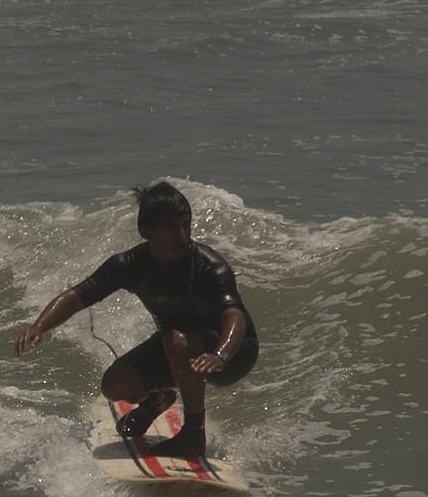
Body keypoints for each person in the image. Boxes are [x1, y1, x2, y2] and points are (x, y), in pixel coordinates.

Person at [14, 181, 259, 457]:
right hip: (179, 347)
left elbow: (234, 316)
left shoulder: (209, 266)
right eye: (170, 227)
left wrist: (221, 354)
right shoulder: (130, 264)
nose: (181, 234)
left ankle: (193, 435)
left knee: (175, 340)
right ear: (146, 232)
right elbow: (78, 295)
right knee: (116, 384)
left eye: (186, 224)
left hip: (233, 352)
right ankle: (159, 399)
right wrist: (39, 327)